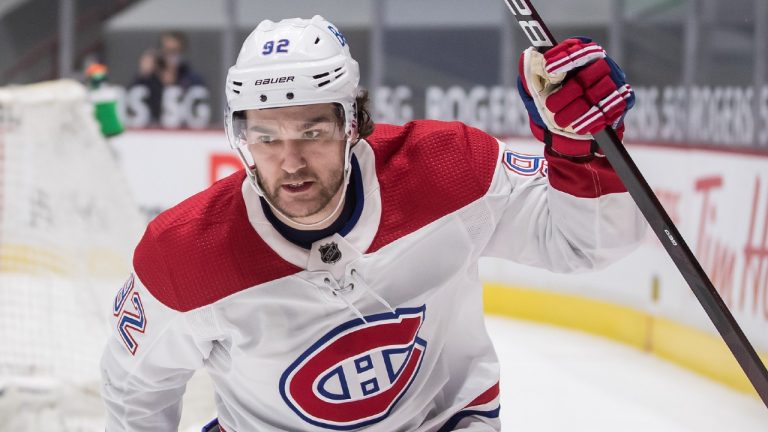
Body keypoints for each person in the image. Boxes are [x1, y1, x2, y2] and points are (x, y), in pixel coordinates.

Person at [101, 16, 645, 432]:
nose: (290, 163)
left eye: (312, 133)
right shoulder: (184, 254)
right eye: (266, 137)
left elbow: (585, 246)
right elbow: (135, 389)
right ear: (239, 137)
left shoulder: (448, 168)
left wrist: (581, 151)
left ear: (353, 124)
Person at [132, 30, 205, 124]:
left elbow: (198, 105)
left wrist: (175, 83)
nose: (170, 56)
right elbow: (133, 102)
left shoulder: (190, 76)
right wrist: (142, 75)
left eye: (174, 51)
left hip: (184, 130)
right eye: (166, 50)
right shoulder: (150, 77)